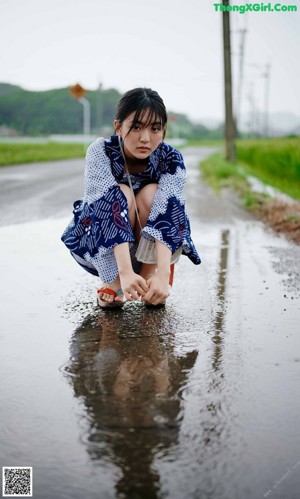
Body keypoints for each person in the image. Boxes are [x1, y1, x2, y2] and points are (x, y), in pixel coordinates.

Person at [61, 87, 200, 308]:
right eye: (136, 127)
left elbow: (169, 213)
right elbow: (106, 206)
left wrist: (163, 275)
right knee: (121, 193)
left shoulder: (171, 158)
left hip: (151, 248)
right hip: (102, 243)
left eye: (155, 128)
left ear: (164, 130)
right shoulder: (101, 151)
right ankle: (115, 281)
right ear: (118, 127)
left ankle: (148, 278)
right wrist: (124, 272)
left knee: (154, 194)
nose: (145, 138)